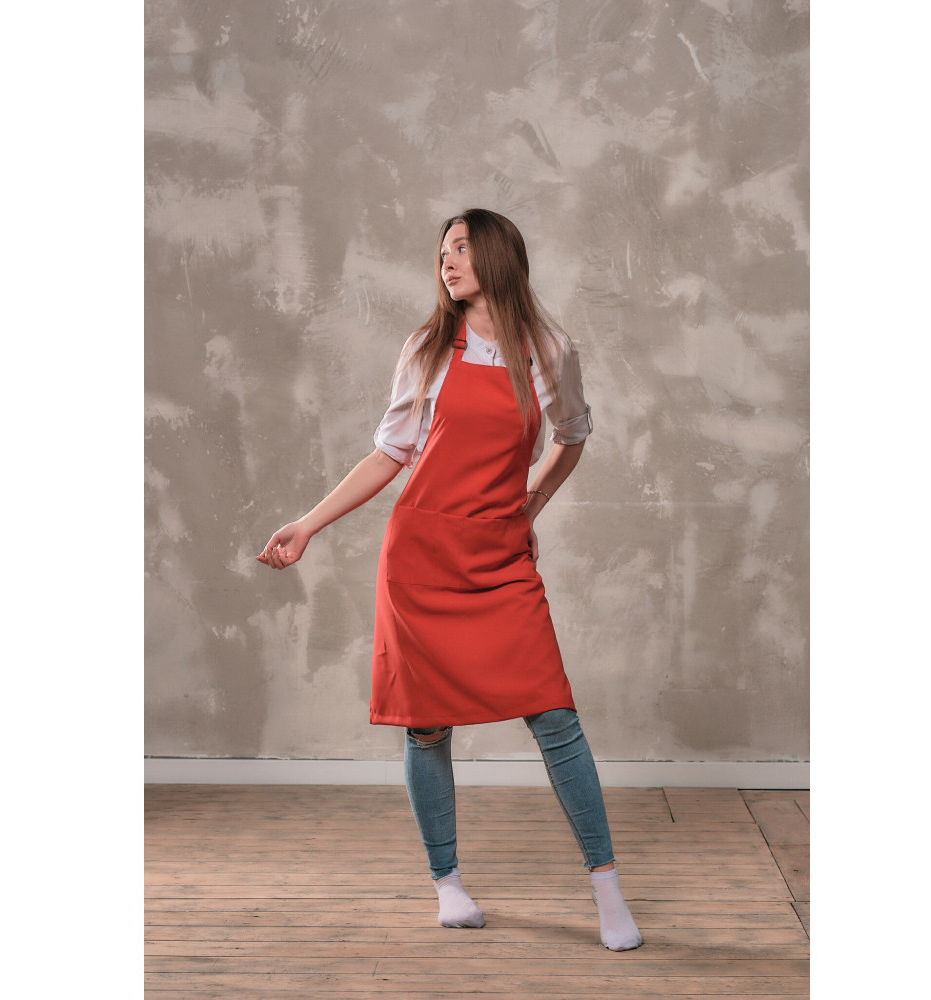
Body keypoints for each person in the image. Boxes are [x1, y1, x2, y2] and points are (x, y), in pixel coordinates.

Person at [257, 208, 642, 951]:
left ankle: (607, 892)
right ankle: (448, 885)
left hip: (500, 560)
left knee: (555, 717)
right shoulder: (428, 348)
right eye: (442, 252)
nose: (447, 261)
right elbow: (389, 455)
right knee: (427, 725)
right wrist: (307, 524)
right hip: (421, 561)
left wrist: (529, 507)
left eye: (461, 248)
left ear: (497, 255)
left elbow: (571, 438)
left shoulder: (550, 351)